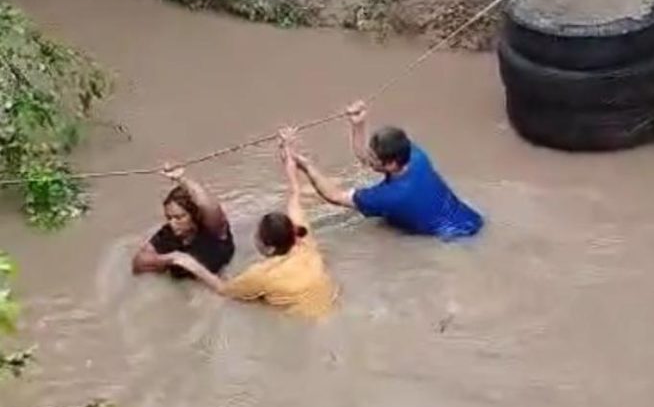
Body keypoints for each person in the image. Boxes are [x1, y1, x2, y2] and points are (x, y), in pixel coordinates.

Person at [168, 130, 338, 319]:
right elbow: (294, 193)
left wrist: (191, 264)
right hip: (332, 303)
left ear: (270, 249)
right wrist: (287, 149)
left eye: (257, 236)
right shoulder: (304, 241)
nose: (254, 237)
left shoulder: (262, 275)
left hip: (305, 321)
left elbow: (223, 289)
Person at [295, 101, 484, 239]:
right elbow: (367, 159)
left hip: (454, 239)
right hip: (469, 219)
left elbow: (334, 196)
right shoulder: (415, 155)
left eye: (374, 158)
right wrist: (359, 125)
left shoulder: (391, 195)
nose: (369, 160)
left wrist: (304, 164)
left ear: (392, 164)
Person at [132, 165, 235, 280]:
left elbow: (208, 205)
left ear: (195, 214)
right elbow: (138, 262)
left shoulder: (212, 229)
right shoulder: (168, 234)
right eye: (169, 217)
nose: (172, 223)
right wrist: (171, 259)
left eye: (179, 217)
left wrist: (181, 178)